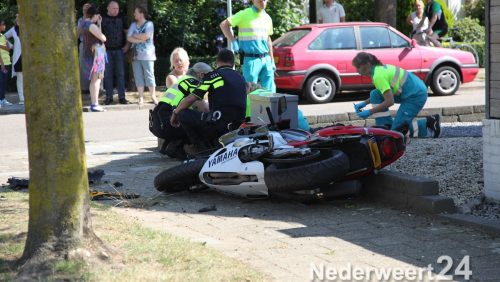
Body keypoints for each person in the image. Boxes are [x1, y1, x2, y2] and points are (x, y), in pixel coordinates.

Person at [170, 49, 247, 154]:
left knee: (183, 114)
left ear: (217, 61)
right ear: (233, 63)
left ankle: (201, 151)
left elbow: (192, 98)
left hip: (219, 125)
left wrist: (175, 112)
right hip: (238, 125)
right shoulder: (241, 78)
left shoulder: (213, 76)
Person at [351, 52, 441, 140]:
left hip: (416, 96)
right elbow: (384, 94)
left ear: (367, 64)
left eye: (358, 67)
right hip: (411, 91)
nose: (357, 70)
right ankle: (385, 126)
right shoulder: (378, 69)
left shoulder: (378, 76)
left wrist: (369, 112)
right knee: (375, 94)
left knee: (396, 133)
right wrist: (364, 103)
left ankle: (429, 122)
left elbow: (390, 101)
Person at [151, 62, 213, 159]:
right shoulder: (194, 83)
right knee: (199, 123)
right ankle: (203, 152)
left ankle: (173, 147)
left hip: (158, 121)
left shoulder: (183, 80)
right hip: (167, 123)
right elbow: (203, 109)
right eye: (210, 76)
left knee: (187, 116)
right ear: (201, 75)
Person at [219, 0, 276, 92]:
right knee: (250, 90)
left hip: (266, 59)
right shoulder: (244, 14)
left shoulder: (267, 18)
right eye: (260, 0)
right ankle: (249, 107)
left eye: (264, 0)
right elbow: (223, 25)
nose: (263, 2)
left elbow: (268, 39)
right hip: (250, 59)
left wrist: (272, 60)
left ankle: (271, 107)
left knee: (270, 91)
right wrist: (233, 41)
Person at [245, 82, 311, 131]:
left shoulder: (250, 99)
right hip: (305, 129)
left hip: (290, 134)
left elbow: (249, 124)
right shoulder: (267, 93)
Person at [127, 5, 158, 105]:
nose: (134, 14)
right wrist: (140, 38)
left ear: (141, 13)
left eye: (135, 12)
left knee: (149, 75)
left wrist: (135, 36)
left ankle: (153, 96)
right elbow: (128, 38)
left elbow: (146, 36)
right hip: (135, 55)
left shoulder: (149, 24)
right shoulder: (133, 24)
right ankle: (141, 97)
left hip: (148, 55)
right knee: (138, 76)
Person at [101, 1, 129, 105]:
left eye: (117, 8)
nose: (116, 10)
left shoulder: (122, 18)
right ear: (108, 8)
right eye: (114, 8)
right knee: (108, 74)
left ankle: (122, 97)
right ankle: (109, 97)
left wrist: (127, 45)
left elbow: (127, 32)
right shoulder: (102, 18)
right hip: (107, 50)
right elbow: (98, 33)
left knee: (120, 74)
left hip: (119, 50)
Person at [82, 6, 107, 112]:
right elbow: (103, 38)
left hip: (90, 53)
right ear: (95, 15)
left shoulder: (84, 24)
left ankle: (94, 103)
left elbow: (98, 35)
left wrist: (99, 24)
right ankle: (95, 104)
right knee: (96, 80)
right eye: (97, 16)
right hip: (96, 55)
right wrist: (98, 25)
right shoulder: (91, 25)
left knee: (94, 79)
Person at [5, 14, 23, 105]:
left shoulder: (28, 28)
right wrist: (11, 46)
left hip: (27, 57)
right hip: (18, 58)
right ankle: (22, 99)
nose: (18, 20)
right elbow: (3, 37)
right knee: (20, 78)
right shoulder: (13, 30)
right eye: (17, 18)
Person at [77, 3, 91, 93]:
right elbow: (78, 33)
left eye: (87, 9)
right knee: (83, 66)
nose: (85, 11)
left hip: (93, 44)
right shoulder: (80, 20)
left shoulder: (95, 19)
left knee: (95, 66)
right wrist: (84, 21)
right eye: (84, 9)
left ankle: (96, 87)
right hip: (83, 43)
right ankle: (84, 88)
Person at [0, 19, 12, 107]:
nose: (4, 26)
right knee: (1, 82)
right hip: (1, 64)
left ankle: (3, 99)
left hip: (7, 62)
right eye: (3, 24)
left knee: (4, 82)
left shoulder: (3, 36)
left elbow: (9, 48)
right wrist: (2, 64)